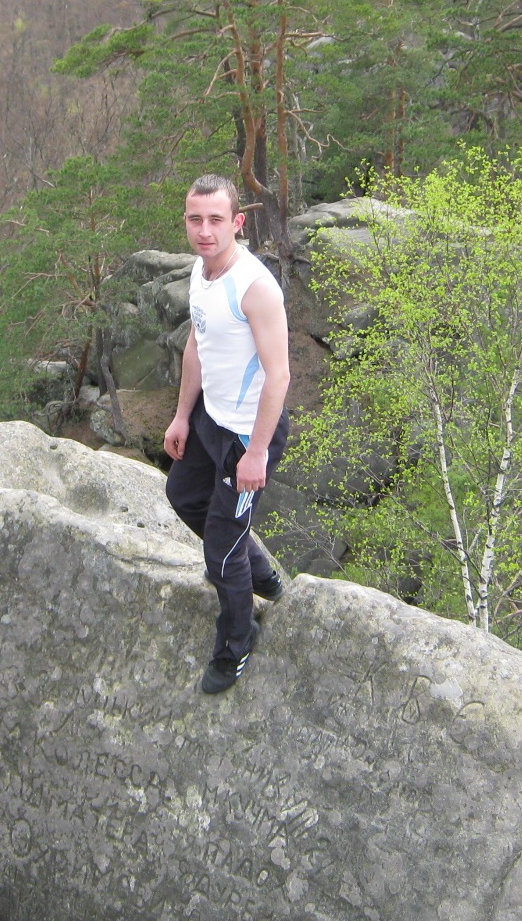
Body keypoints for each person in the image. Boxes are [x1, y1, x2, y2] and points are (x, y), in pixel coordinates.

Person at [164, 174, 291, 694]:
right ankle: (259, 572)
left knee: (220, 554)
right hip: (209, 420)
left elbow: (279, 376)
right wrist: (181, 416)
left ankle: (236, 643)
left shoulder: (255, 288)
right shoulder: (202, 270)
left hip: (247, 435)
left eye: (216, 220)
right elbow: (197, 345)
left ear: (237, 222)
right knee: (182, 494)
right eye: (195, 220)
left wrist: (256, 454)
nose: (204, 231)